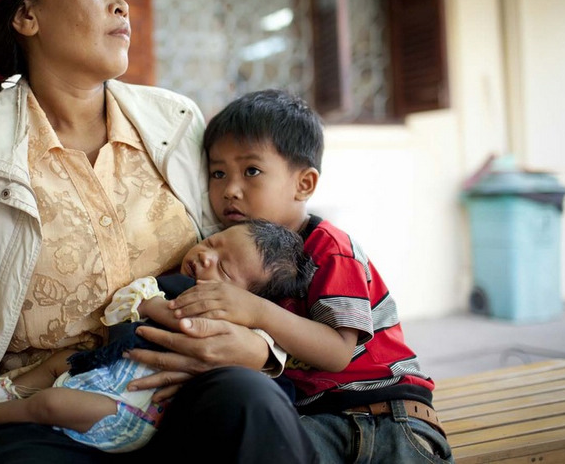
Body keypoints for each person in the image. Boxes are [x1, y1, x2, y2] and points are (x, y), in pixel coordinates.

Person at [0, 0, 316, 464]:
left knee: (254, 404)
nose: (121, 4)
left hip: (172, 387)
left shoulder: (175, 120)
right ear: (26, 15)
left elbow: (240, 252)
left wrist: (260, 348)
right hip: (45, 408)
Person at [164, 89, 455, 463]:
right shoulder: (227, 256)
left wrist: (254, 310)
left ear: (304, 184)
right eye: (218, 173)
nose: (229, 190)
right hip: (317, 422)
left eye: (251, 171)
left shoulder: (328, 248)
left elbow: (337, 352)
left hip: (390, 420)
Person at [0, 220, 314, 454]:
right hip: (107, 367)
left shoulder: (248, 330)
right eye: (212, 243)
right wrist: (162, 308)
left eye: (225, 270)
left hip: (132, 410)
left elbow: (267, 366)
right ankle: (5, 390)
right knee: (64, 361)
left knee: (55, 403)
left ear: (249, 299)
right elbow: (120, 305)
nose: (206, 256)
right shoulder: (165, 289)